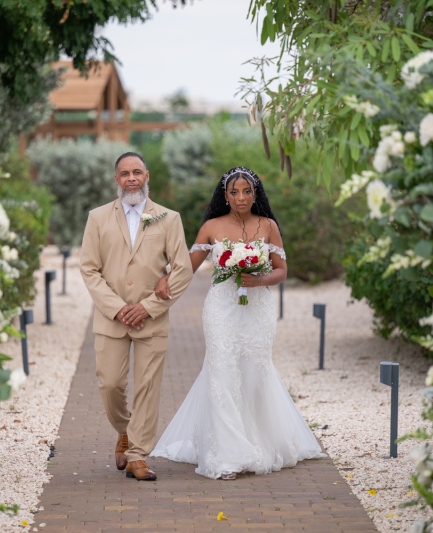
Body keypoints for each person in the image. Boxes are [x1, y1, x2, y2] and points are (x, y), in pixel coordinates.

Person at [150, 166, 325, 480]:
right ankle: (227, 455)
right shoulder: (211, 227)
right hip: (221, 309)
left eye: (247, 191)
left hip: (257, 310)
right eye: (234, 192)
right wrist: (164, 280)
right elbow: (186, 268)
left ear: (255, 194)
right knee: (221, 369)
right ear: (225, 195)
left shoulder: (268, 225)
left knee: (255, 371)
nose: (240, 197)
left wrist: (259, 280)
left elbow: (281, 270)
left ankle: (259, 442)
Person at [79, 152, 193, 481]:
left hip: (152, 319)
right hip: (111, 319)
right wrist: (117, 308)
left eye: (137, 172)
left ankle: (138, 455)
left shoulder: (168, 219)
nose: (131, 178)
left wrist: (148, 307)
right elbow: (89, 269)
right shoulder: (97, 218)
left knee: (147, 387)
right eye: (125, 173)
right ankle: (124, 430)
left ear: (147, 177)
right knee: (110, 384)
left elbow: (182, 271)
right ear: (116, 180)